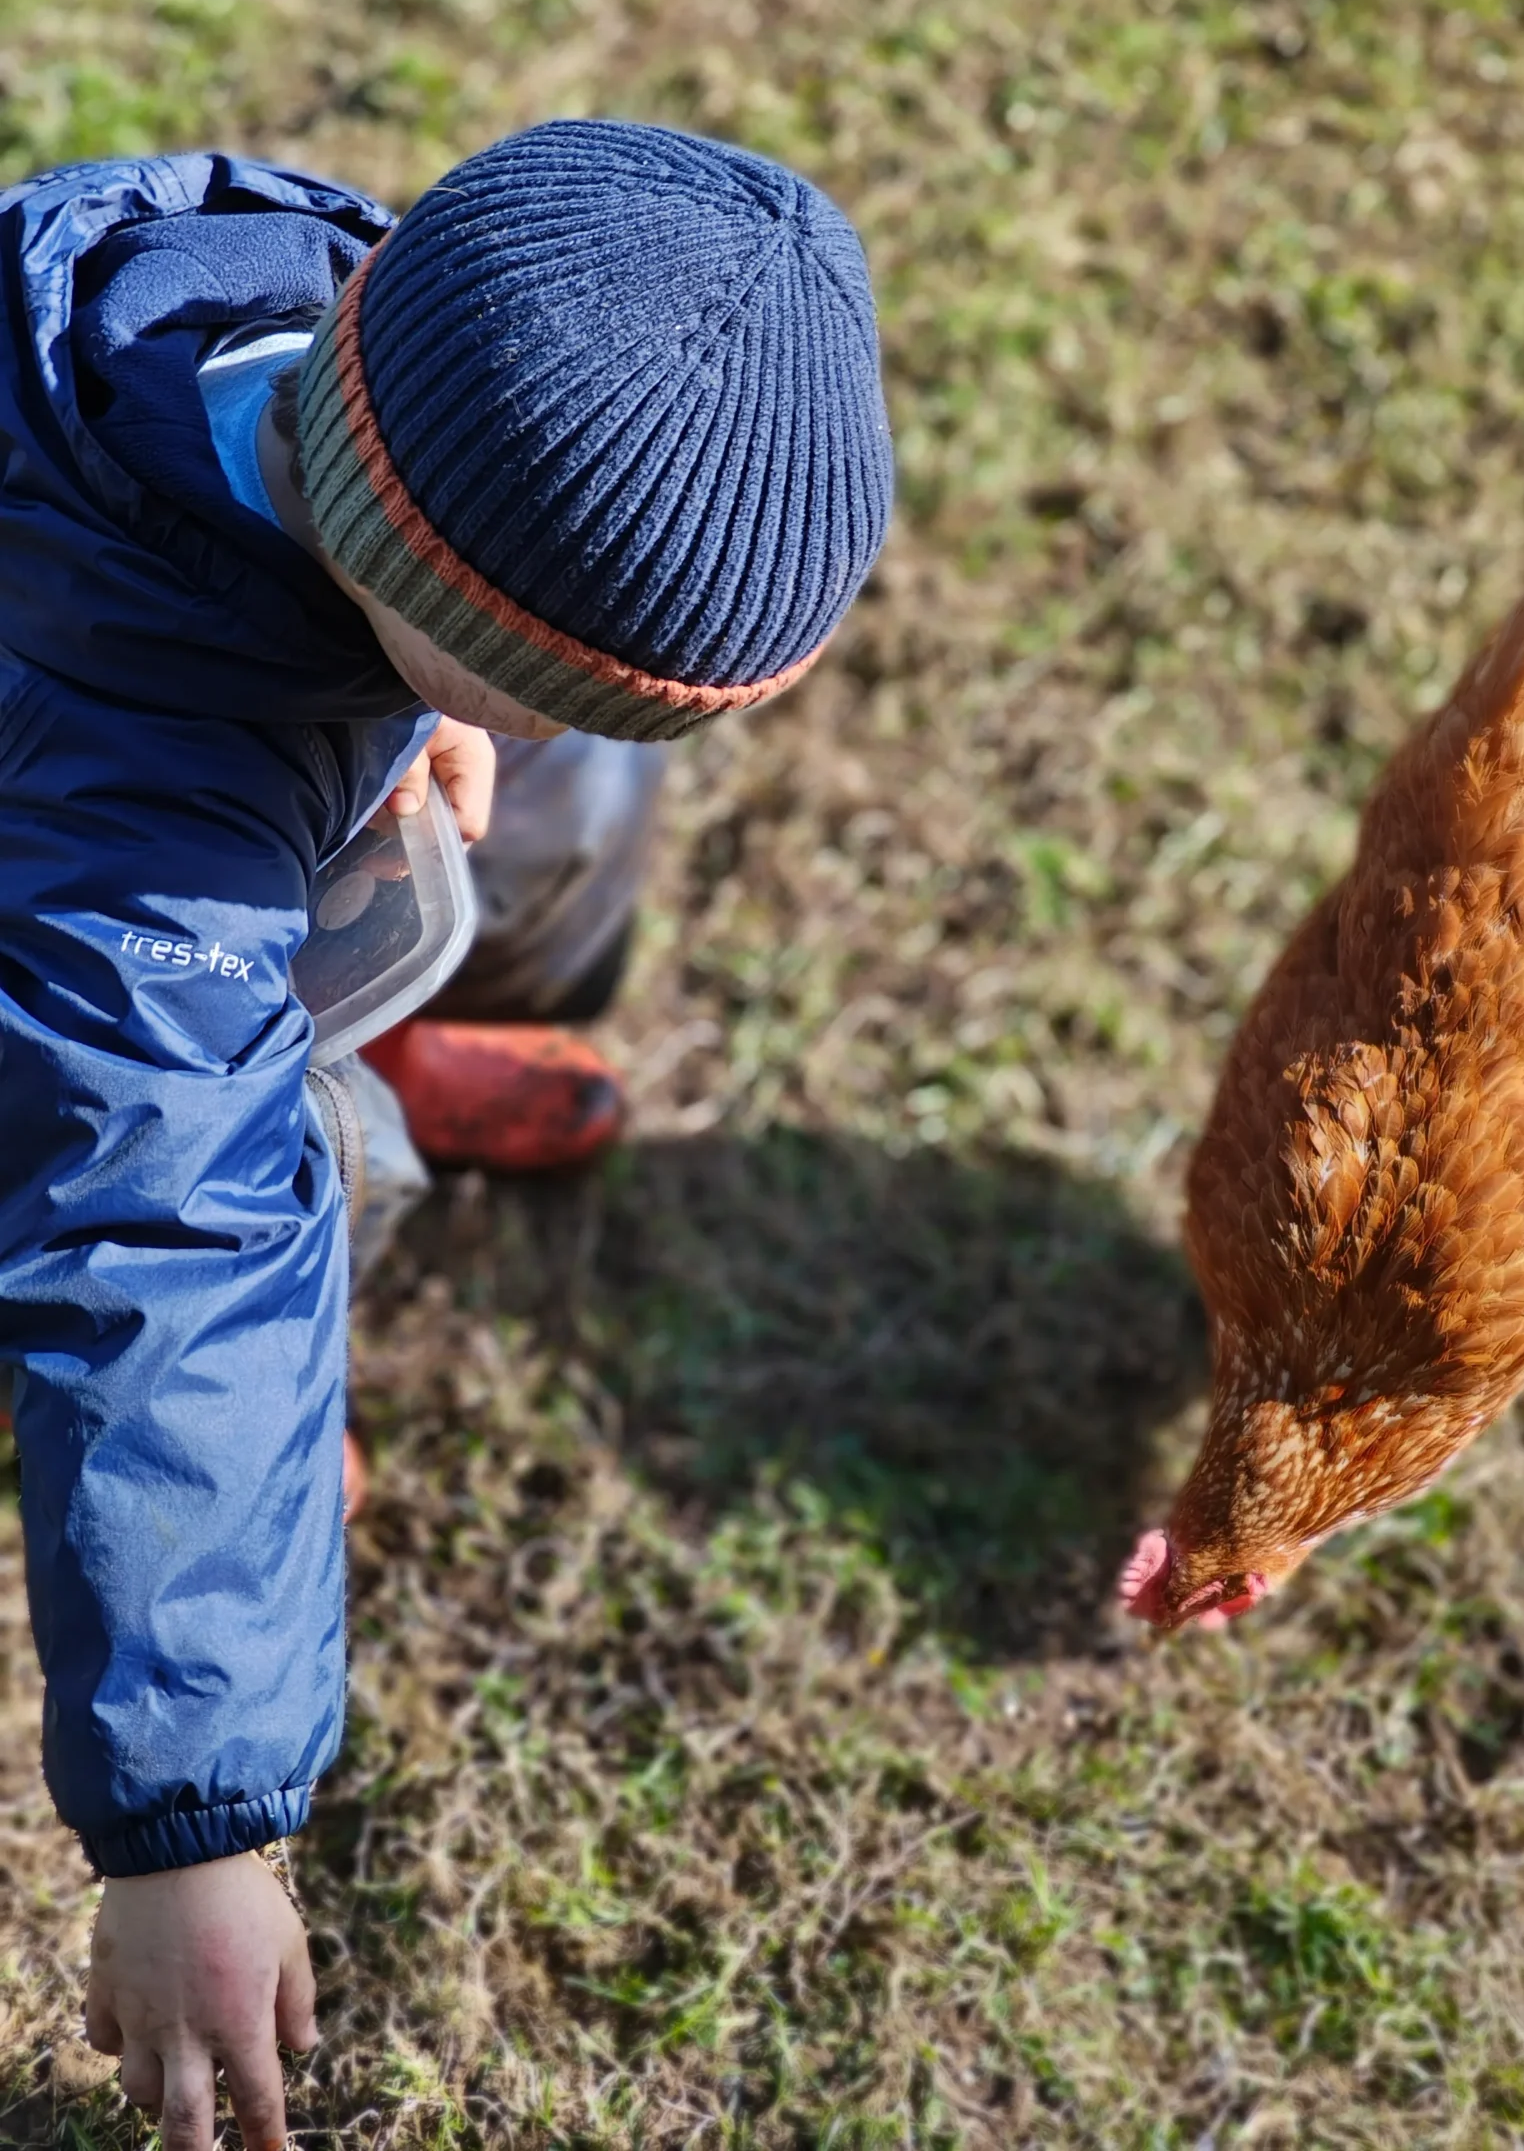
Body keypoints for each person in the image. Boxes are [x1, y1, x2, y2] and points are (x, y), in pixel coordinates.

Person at [0, 122, 892, 2149]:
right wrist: (186, 1826)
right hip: (57, 1001)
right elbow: (159, 1248)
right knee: (280, 1173)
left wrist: (413, 688)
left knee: (516, 850)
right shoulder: (137, 850)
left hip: (248, 760)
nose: (571, 727)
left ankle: (391, 1024)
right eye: (549, 684)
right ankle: (348, 1131)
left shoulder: (269, 297)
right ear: (393, 565)